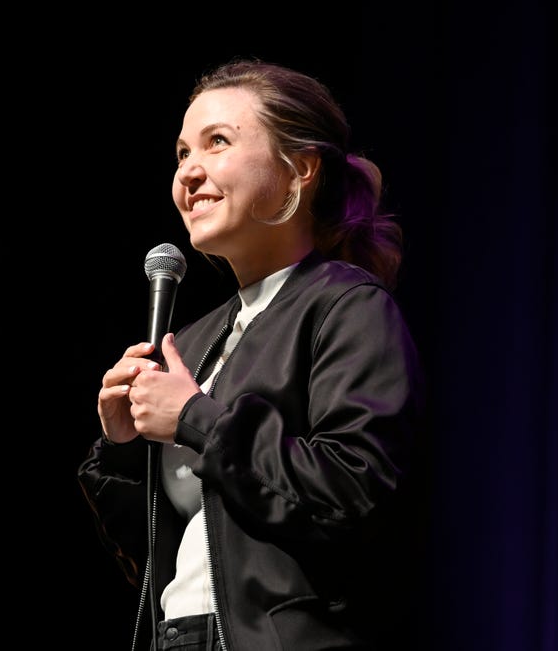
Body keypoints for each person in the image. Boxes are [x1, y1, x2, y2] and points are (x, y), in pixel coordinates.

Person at [77, 58, 426, 651]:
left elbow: (354, 495)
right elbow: (163, 555)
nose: (189, 173)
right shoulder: (193, 342)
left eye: (218, 143)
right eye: (182, 153)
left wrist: (192, 418)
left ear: (300, 170)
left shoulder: (347, 306)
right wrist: (123, 448)